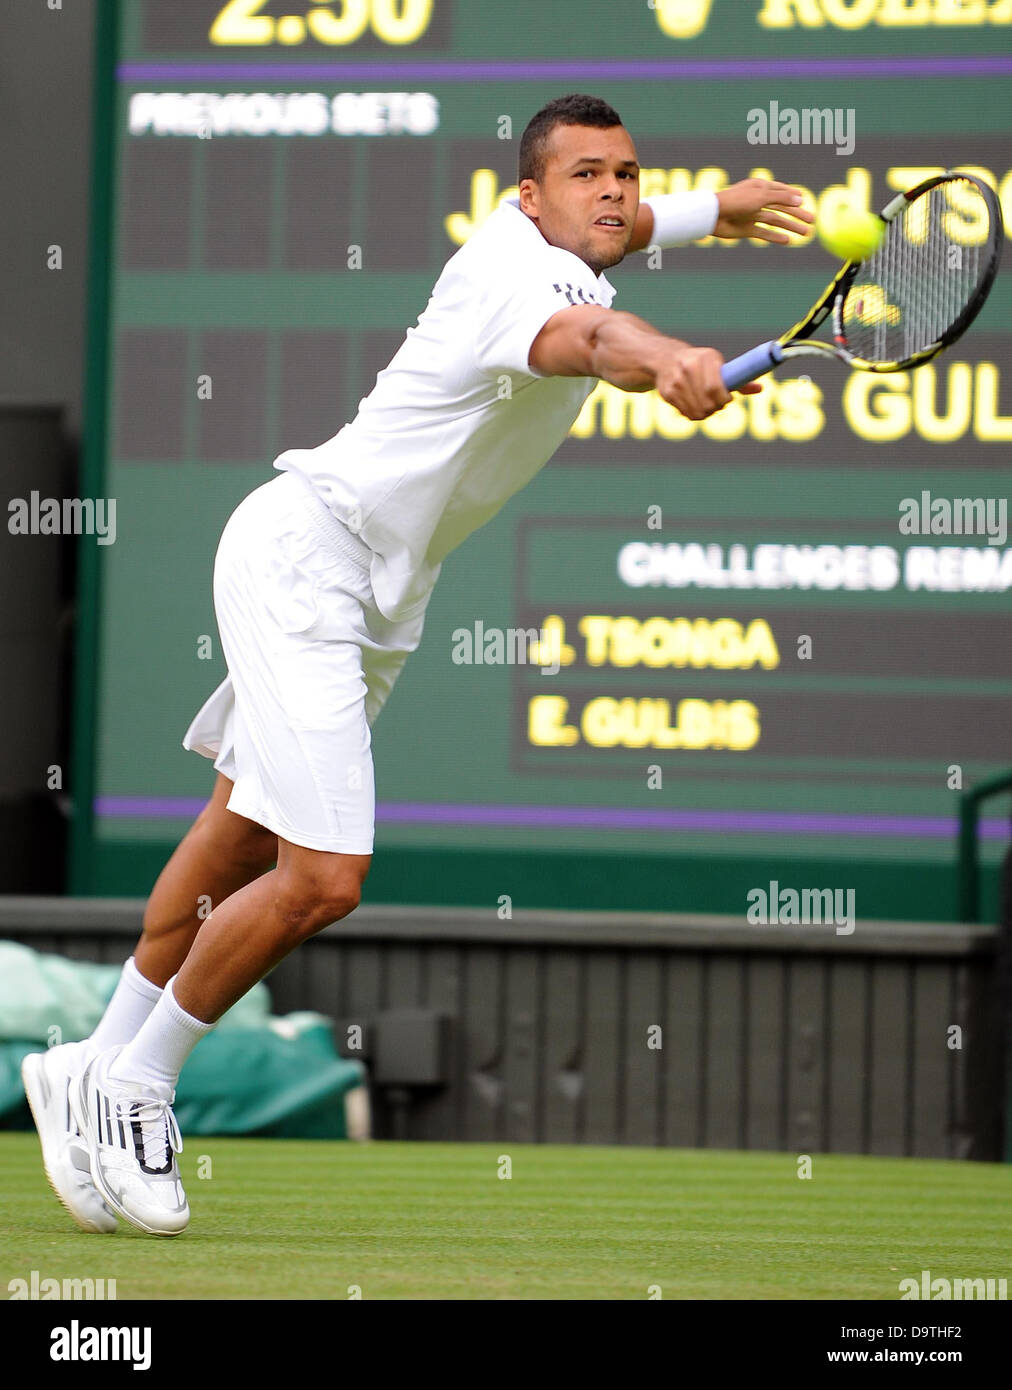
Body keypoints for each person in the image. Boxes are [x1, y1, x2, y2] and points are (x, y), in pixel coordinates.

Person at [23, 93, 812, 1235]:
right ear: (524, 197)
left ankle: (90, 1056)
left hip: (378, 586)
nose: (614, 194)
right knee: (325, 875)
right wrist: (676, 355)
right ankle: (138, 1083)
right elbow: (594, 340)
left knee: (239, 835)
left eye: (626, 174)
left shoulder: (576, 233)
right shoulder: (517, 284)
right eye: (585, 175)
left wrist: (710, 210)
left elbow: (620, 237)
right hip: (307, 557)